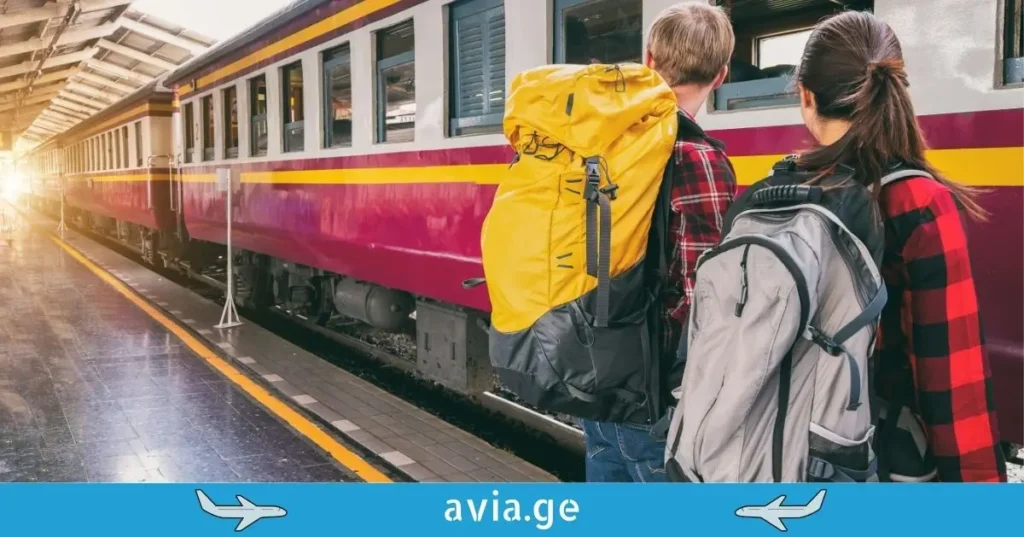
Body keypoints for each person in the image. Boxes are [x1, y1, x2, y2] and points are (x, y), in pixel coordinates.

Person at [790, 10, 1006, 482]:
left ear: (806, 97)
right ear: (895, 88)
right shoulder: (918, 203)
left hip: (785, 457)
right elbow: (950, 376)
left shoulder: (778, 196)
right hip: (879, 460)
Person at [580, 3, 737, 483]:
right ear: (722, 75)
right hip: (654, 390)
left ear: (648, 60)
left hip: (597, 366)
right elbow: (701, 293)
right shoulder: (697, 158)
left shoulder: (603, 144)